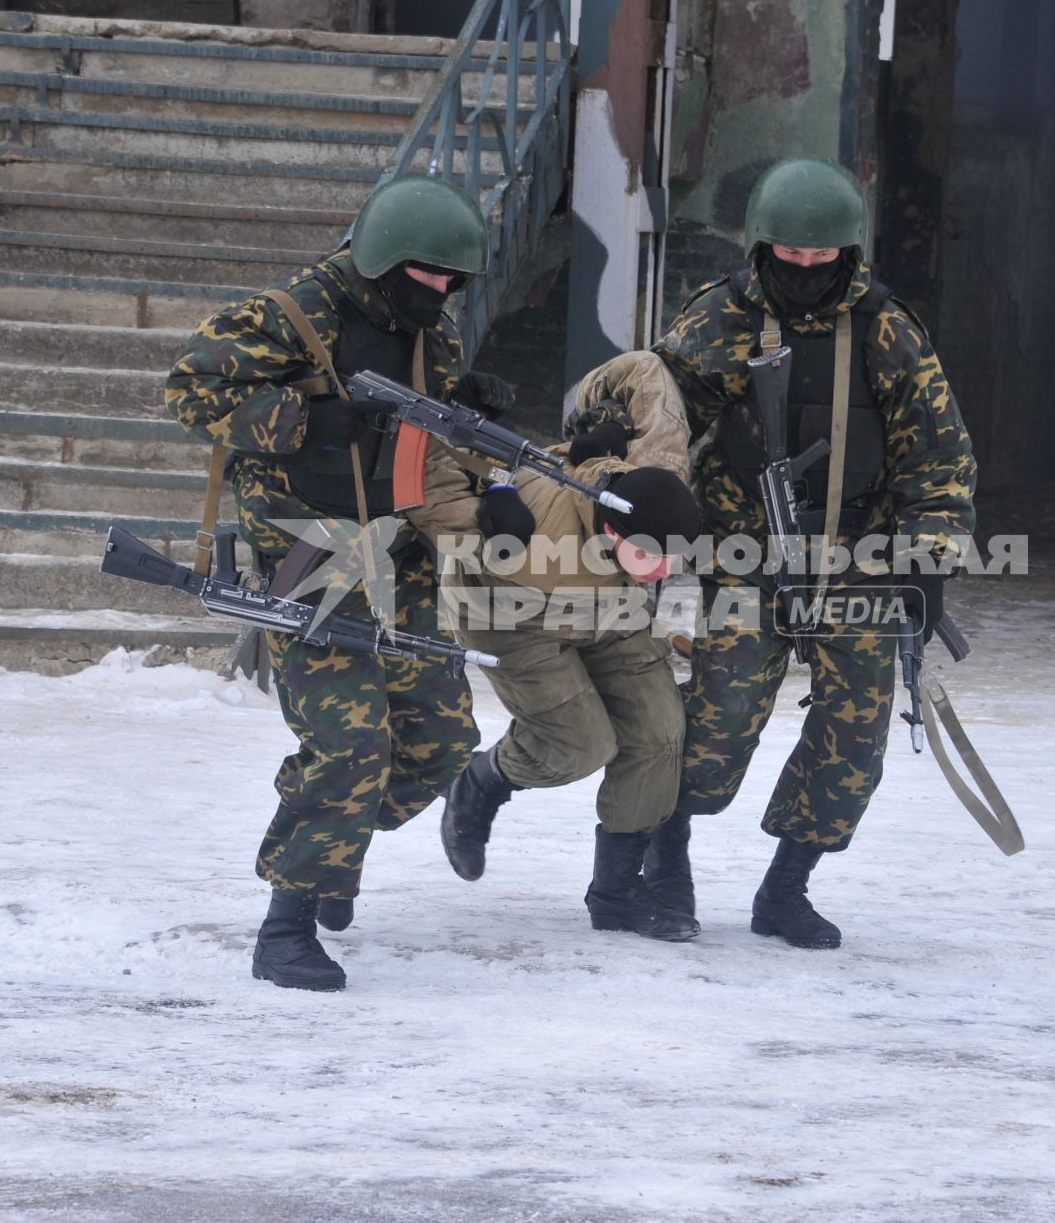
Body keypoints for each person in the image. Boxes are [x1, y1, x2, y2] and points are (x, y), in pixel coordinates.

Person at [165, 176, 515, 991]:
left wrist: (478, 438)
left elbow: (434, 439)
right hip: (310, 561)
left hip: (404, 560)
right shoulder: (288, 315)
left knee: (441, 743)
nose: (442, 294)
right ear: (385, 259)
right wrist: (301, 421)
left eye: (453, 281)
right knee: (351, 744)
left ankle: (336, 846)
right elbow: (189, 387)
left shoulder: (437, 333)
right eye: (428, 278)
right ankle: (286, 925)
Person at [644, 156, 979, 950]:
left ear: (848, 252)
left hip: (857, 559)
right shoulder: (716, 319)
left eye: (818, 257)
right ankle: (664, 862)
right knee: (718, 720)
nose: (801, 269)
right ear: (762, 246)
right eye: (786, 255)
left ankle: (787, 888)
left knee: (854, 734)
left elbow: (939, 459)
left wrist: (928, 562)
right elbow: (656, 420)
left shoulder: (890, 332)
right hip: (746, 555)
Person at [404, 353, 705, 941]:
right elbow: (430, 493)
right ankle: (482, 781)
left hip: (609, 611)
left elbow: (645, 371)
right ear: (613, 533)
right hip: (513, 616)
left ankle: (615, 893)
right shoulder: (527, 527)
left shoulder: (656, 474)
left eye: (672, 560)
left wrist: (589, 410)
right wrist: (465, 458)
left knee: (660, 732)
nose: (664, 571)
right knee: (579, 745)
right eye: (652, 557)